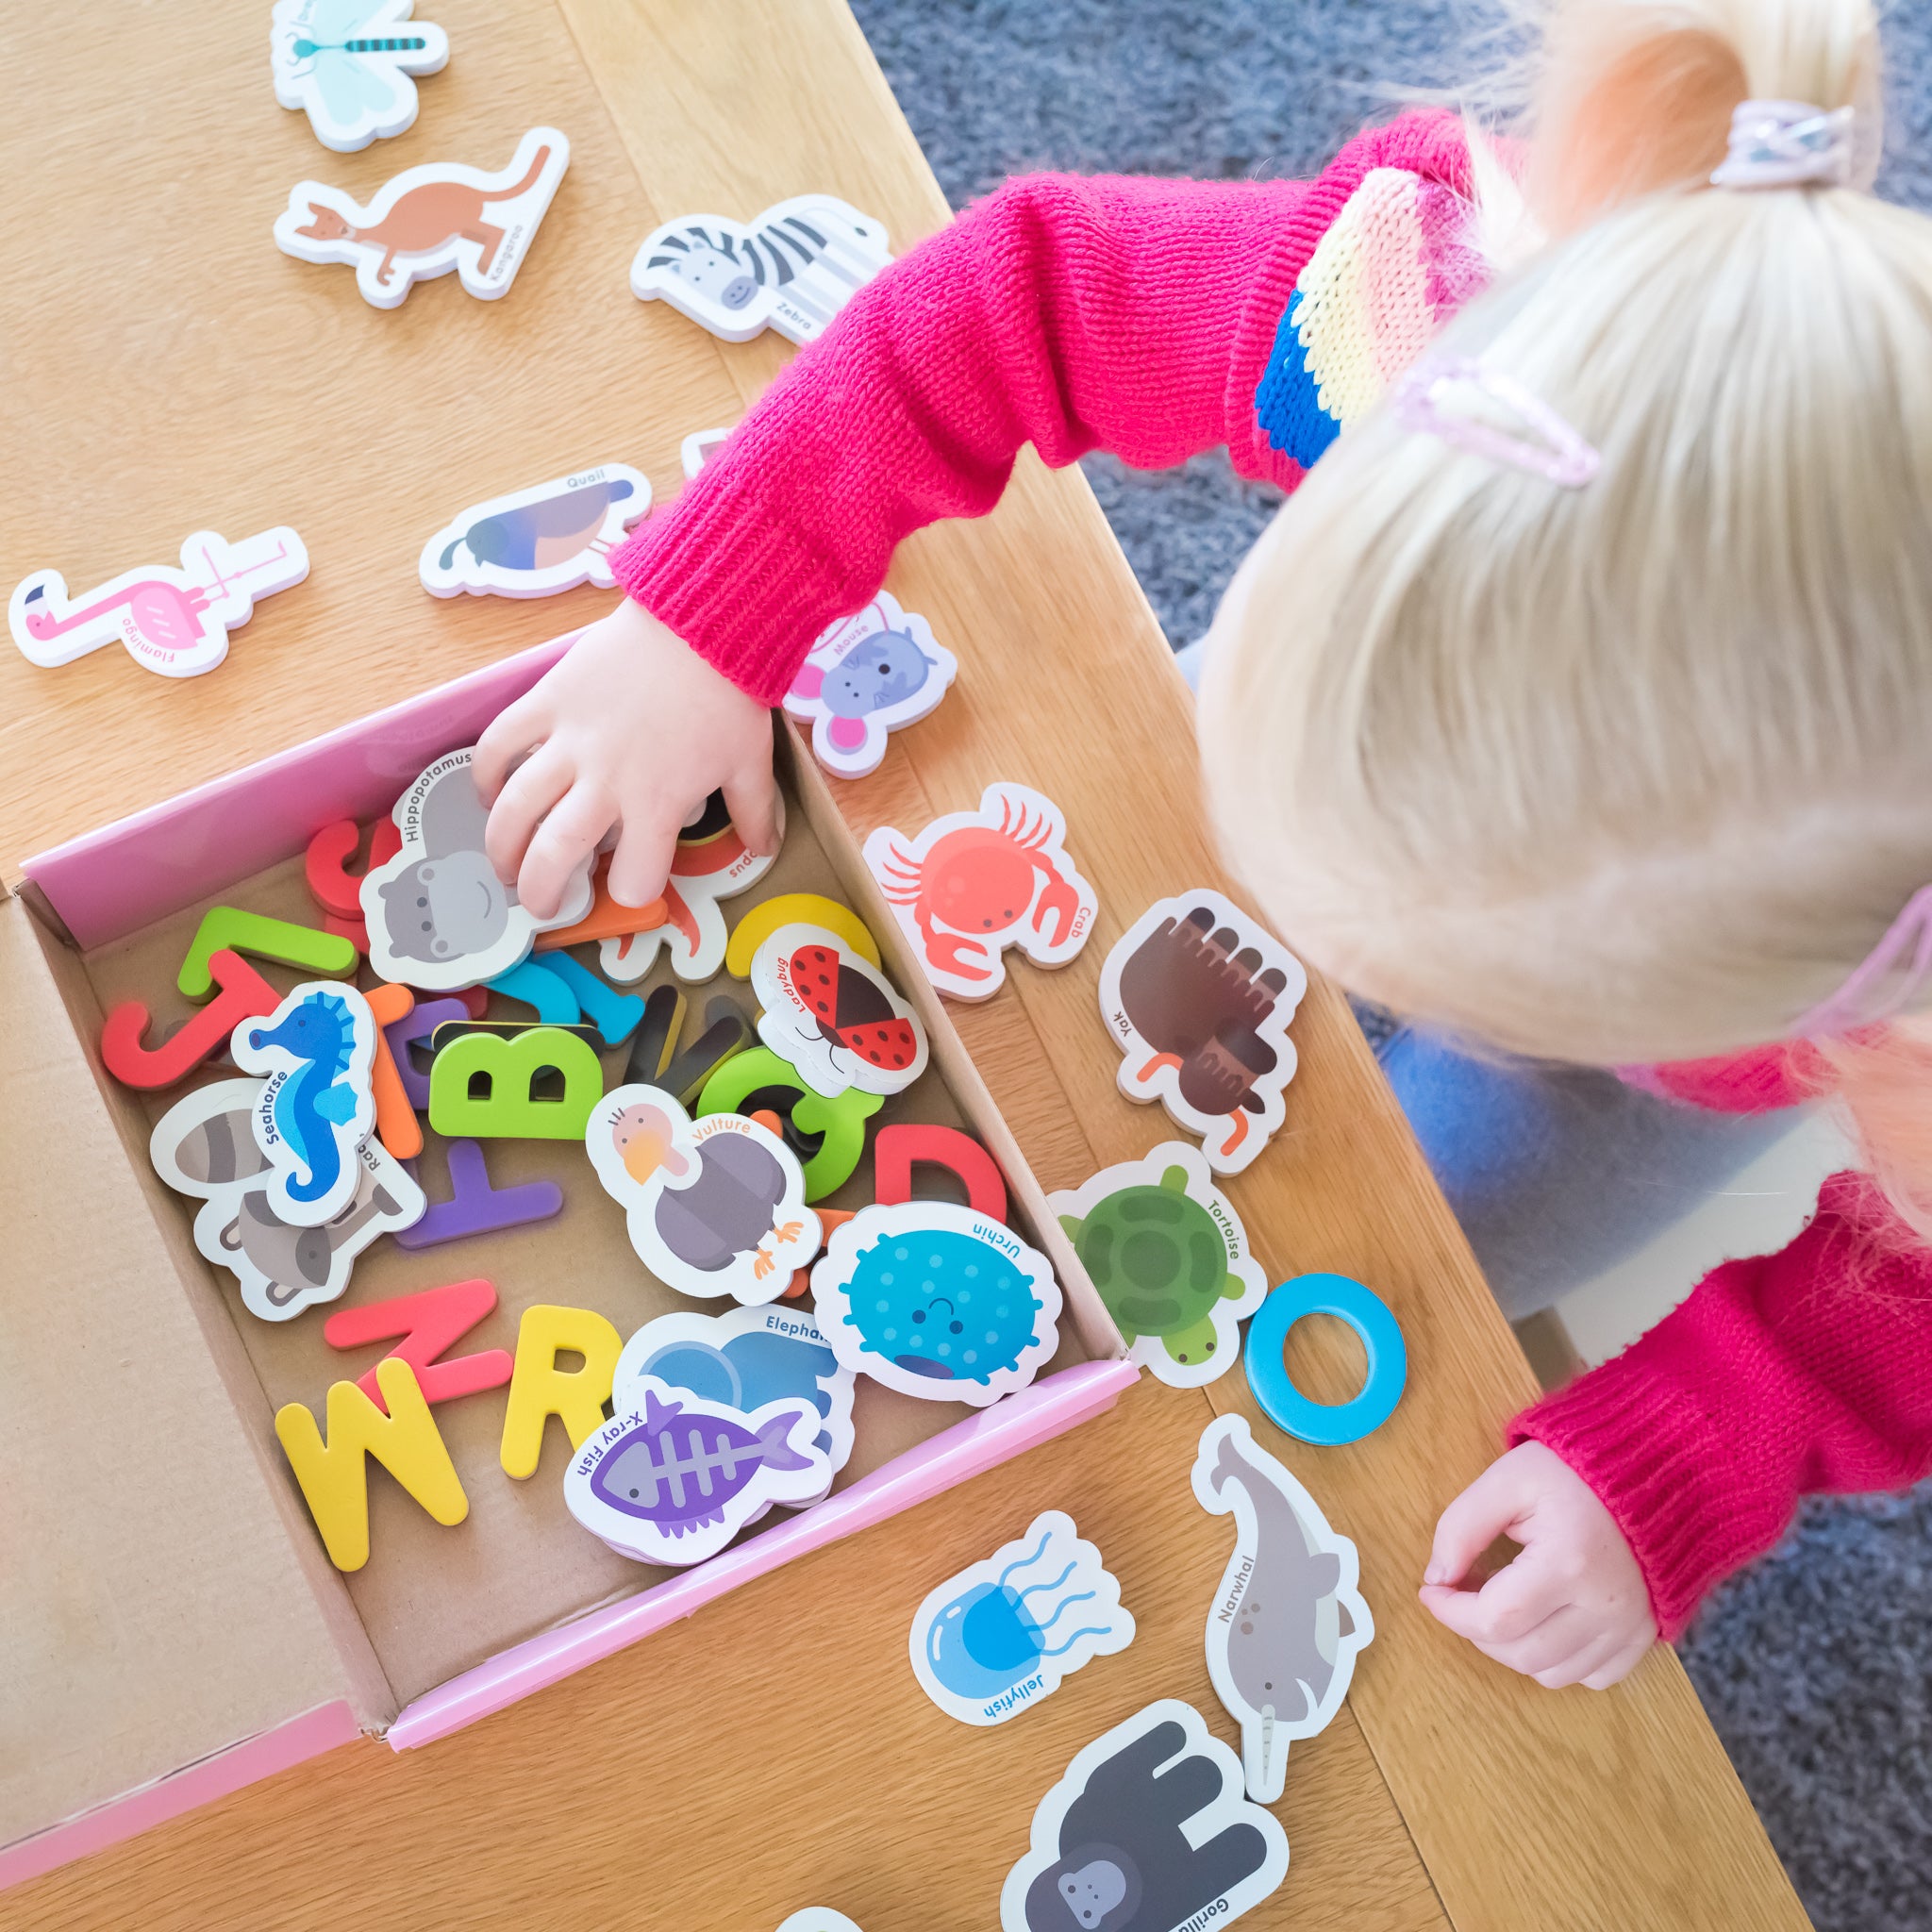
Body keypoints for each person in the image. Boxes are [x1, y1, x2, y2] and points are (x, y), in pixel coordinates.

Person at [481, 0, 1932, 1690]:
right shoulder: (1434, 325)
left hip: (1689, 1061)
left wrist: (1709, 1433)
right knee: (1072, 1017)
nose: (1321, 944)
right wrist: (720, 613)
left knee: (1364, 1250)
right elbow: (1023, 292)